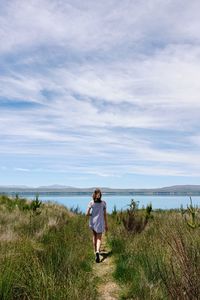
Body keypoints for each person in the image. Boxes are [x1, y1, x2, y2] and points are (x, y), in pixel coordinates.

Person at [86, 188, 108, 263]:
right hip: (100, 222)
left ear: (94, 195)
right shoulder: (104, 203)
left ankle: (95, 251)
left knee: (94, 236)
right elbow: (105, 215)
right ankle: (98, 251)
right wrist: (106, 224)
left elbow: (87, 213)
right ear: (100, 195)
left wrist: (91, 214)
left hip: (93, 222)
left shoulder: (91, 203)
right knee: (99, 238)